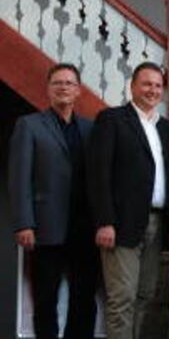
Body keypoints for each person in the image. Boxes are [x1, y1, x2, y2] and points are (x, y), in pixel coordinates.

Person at [88, 62, 169, 339]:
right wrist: (104, 222)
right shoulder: (112, 119)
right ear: (132, 87)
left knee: (146, 294)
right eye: (146, 84)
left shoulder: (166, 128)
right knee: (122, 298)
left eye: (157, 85)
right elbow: (98, 175)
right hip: (120, 224)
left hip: (156, 224)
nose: (152, 90)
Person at [8, 63, 99, 339]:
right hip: (46, 228)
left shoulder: (91, 128)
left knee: (84, 301)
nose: (63, 87)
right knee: (45, 301)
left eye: (69, 83)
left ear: (78, 91)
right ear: (48, 89)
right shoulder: (29, 125)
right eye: (57, 83)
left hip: (85, 228)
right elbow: (19, 177)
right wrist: (24, 223)